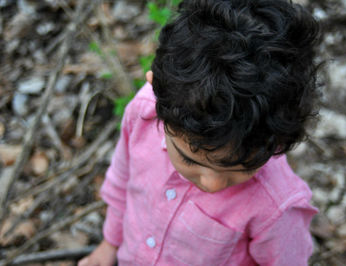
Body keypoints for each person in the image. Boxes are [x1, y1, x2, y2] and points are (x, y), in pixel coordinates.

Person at [78, 0, 320, 265]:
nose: (213, 184)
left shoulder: (276, 207)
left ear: (278, 142)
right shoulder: (143, 113)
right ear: (157, 92)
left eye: (242, 167)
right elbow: (122, 180)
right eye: (190, 159)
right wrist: (110, 243)